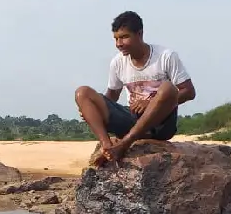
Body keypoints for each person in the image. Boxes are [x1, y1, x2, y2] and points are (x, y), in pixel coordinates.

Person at [75, 11, 196, 166]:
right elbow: (111, 96)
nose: (119, 43)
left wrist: (151, 103)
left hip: (160, 125)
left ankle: (124, 144)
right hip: (131, 119)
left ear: (139, 34)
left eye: (124, 37)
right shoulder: (118, 62)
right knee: (82, 93)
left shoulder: (166, 56)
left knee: (168, 88)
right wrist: (93, 110)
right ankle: (107, 146)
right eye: (116, 38)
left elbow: (189, 92)